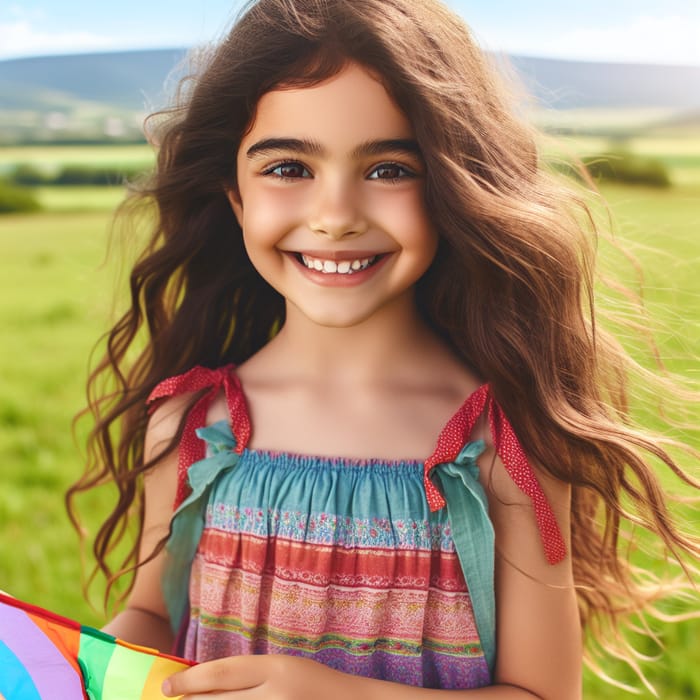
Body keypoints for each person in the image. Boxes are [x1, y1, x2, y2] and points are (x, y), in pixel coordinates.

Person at [67, 0, 699, 698]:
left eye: (390, 170)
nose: (335, 216)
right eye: (287, 167)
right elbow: (154, 613)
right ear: (236, 194)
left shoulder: (501, 445)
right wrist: (87, 664)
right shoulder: (193, 423)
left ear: (453, 187)